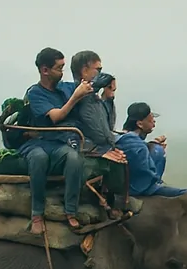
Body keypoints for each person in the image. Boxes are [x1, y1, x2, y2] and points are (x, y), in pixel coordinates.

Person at [115, 101, 187, 238]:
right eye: (150, 119)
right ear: (140, 124)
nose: (154, 123)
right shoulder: (134, 143)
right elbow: (148, 174)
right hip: (141, 188)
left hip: (135, 184)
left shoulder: (126, 138)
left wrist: (151, 146)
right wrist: (157, 152)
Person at [18, 47, 90, 235]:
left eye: (63, 67)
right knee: (39, 158)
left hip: (59, 143)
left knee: (74, 158)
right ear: (45, 70)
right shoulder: (35, 93)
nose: (62, 72)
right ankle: (37, 214)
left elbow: (86, 87)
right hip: (38, 142)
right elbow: (56, 117)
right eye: (59, 68)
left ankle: (70, 211)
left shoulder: (65, 88)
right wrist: (75, 97)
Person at [71, 71, 130, 218]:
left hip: (100, 146)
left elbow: (107, 128)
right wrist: (100, 151)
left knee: (122, 156)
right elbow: (91, 132)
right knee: (115, 161)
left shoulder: (100, 103)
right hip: (85, 148)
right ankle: (112, 205)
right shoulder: (82, 101)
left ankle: (117, 202)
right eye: (110, 88)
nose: (112, 93)